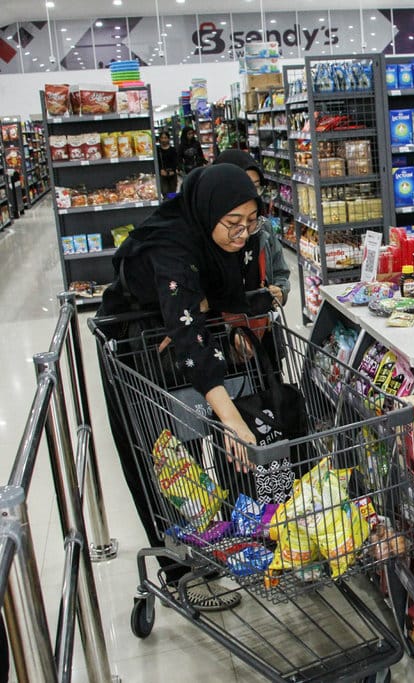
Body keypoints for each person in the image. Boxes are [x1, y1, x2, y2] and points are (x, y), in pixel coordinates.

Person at [96, 164, 271, 609]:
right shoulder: (170, 244)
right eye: (233, 223)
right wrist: (231, 419)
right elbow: (188, 331)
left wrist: (208, 312)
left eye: (251, 222)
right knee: (169, 461)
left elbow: (218, 298)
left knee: (211, 451)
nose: (243, 234)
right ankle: (182, 574)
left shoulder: (224, 237)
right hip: (138, 349)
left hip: (181, 338)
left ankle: (226, 542)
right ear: (208, 211)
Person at [213, 148, 290, 306]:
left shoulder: (262, 227)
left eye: (256, 186)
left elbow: (280, 272)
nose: (252, 194)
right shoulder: (210, 232)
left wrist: (280, 290)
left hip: (260, 317)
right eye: (244, 185)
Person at [156, 130, 178, 197]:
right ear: (159, 139)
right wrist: (160, 170)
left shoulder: (173, 150)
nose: (163, 140)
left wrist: (173, 170)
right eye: (162, 138)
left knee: (172, 193)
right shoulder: (158, 150)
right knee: (164, 192)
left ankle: (172, 202)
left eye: (165, 138)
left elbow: (176, 161)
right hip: (163, 175)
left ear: (168, 139)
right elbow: (157, 162)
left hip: (172, 174)